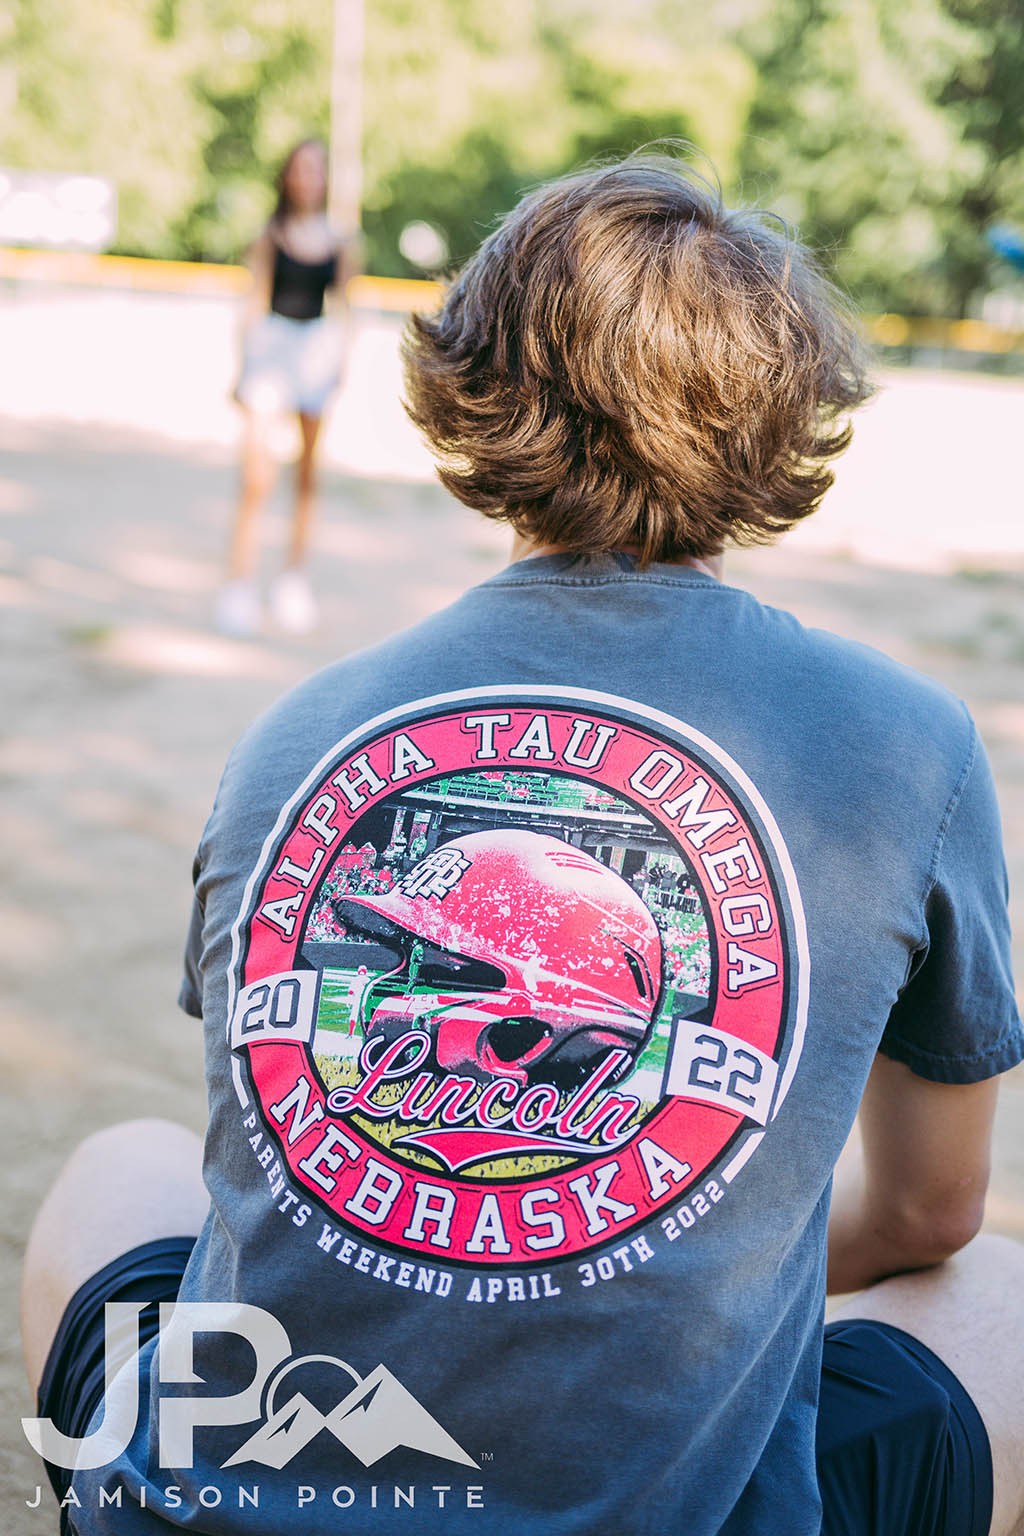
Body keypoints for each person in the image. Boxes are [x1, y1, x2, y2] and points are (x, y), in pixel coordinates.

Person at [21, 153, 1024, 1536]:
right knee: (1005, 1310)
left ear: (477, 380)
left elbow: (258, 1182)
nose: (437, 1010)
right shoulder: (911, 744)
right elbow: (930, 1216)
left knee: (118, 1169)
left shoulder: (295, 730)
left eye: (462, 984)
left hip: (211, 1497)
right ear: (782, 411)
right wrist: (721, 1266)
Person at [215, 137, 357, 637]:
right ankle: (239, 584)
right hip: (272, 349)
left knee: (306, 476)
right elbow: (253, 299)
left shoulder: (341, 241)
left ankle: (293, 581)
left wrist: (341, 362)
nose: (306, 178)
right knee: (256, 475)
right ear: (287, 177)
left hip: (315, 351)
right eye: (299, 169)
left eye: (315, 170)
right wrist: (242, 368)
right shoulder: (269, 235)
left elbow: (344, 306)